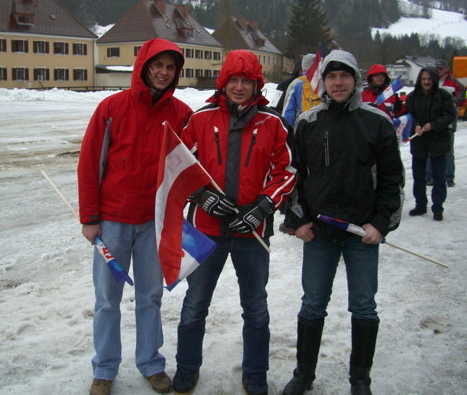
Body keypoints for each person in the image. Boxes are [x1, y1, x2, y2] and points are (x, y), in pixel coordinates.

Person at [281, 50, 405, 395]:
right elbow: (294, 178)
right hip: (319, 232)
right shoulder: (308, 121)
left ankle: (360, 380)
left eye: (345, 76)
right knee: (312, 304)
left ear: (356, 80)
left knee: (364, 306)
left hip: (361, 233)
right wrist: (299, 220)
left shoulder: (377, 121)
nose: (338, 83)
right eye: (331, 76)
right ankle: (304, 374)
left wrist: (380, 224)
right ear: (323, 81)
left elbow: (393, 179)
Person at [173, 50, 296, 395]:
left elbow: (286, 172)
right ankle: (187, 366)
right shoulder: (201, 119)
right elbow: (178, 166)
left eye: (247, 81)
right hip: (205, 231)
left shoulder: (272, 123)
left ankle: (255, 371)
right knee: (195, 304)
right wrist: (200, 195)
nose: (239, 87)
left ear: (257, 84)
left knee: (255, 307)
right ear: (223, 82)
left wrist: (263, 206)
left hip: (251, 233)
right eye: (234, 80)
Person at [78, 38, 193, 395]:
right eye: (157, 65)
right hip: (112, 221)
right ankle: (104, 369)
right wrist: (89, 217)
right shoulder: (112, 107)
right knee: (107, 300)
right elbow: (89, 164)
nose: (163, 72)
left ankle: (151, 362)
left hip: (153, 225)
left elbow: (190, 169)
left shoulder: (181, 113)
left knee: (150, 297)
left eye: (170, 68)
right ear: (143, 66)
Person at [406, 66, 456, 221]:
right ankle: (420, 205)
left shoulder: (444, 96)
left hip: (438, 140)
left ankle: (438, 207)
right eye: (423, 79)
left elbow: (449, 115)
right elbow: (409, 114)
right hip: (419, 140)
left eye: (429, 79)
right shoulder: (413, 96)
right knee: (418, 176)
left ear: (434, 80)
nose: (426, 82)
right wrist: (416, 125)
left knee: (439, 177)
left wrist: (433, 125)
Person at [279, 53, 322, 235]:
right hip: (301, 141)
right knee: (298, 178)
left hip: (315, 140)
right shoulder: (298, 84)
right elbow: (288, 112)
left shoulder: (319, 83)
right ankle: (292, 219)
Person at [426, 59, 465, 187]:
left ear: (447, 69)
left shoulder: (454, 83)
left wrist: (452, 102)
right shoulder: (429, 82)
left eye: (441, 68)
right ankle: (429, 176)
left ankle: (449, 177)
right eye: (437, 68)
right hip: (432, 120)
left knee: (448, 150)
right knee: (430, 148)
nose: (439, 71)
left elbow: (464, 95)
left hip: (448, 121)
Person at [282, 53, 322, 127]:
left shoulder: (296, 84)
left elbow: (288, 113)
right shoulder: (323, 83)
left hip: (300, 132)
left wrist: (288, 134)